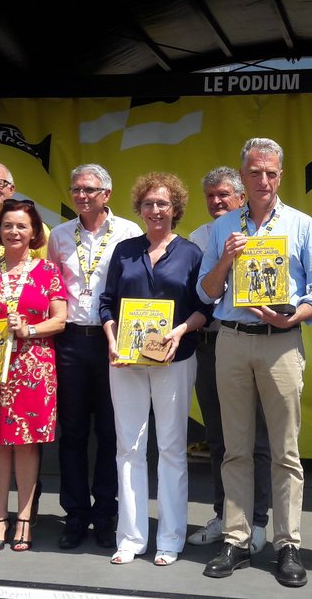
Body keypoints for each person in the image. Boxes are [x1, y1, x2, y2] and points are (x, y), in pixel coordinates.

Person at [198, 137, 312, 588]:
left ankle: (287, 543)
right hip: (232, 340)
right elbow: (207, 292)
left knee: (285, 451)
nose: (263, 180)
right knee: (235, 447)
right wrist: (225, 260)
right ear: (244, 176)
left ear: (281, 176)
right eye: (255, 172)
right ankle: (235, 539)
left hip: (281, 343)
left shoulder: (302, 225)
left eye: (271, 173)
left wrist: (294, 315)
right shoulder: (222, 228)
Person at [98, 172, 214, 566]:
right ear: (140, 209)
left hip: (174, 360)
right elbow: (107, 302)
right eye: (148, 204)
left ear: (175, 208)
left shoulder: (191, 253)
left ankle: (170, 537)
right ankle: (130, 537)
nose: (155, 210)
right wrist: (112, 338)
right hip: (125, 360)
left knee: (171, 448)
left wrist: (180, 331)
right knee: (127, 447)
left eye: (163, 203)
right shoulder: (124, 250)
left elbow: (204, 307)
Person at [0, 199, 67, 552]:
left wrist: (31, 330)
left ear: (34, 232)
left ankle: (23, 518)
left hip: (33, 367)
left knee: (26, 444)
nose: (14, 232)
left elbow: (60, 319)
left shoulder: (48, 271)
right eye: (8, 225)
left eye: (22, 226)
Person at [47, 164, 143, 549]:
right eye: (76, 189)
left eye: (90, 189)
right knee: (71, 433)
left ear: (107, 193)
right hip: (70, 340)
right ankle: (75, 515)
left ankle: (106, 514)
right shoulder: (57, 235)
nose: (82, 196)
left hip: (112, 340)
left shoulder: (128, 232)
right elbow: (53, 289)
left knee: (109, 431)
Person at [187, 167, 273, 553]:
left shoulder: (265, 232)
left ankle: (257, 521)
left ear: (242, 197)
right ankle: (224, 515)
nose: (216, 202)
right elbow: (200, 297)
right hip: (211, 345)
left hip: (254, 340)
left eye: (223, 195)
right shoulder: (198, 238)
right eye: (210, 196)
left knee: (257, 439)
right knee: (219, 438)